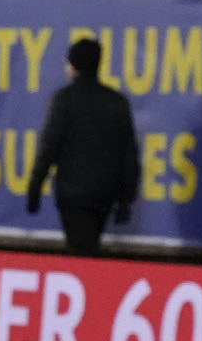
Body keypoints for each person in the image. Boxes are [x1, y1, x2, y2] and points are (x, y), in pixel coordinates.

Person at [27, 38, 141, 256]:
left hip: (72, 194)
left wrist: (34, 189)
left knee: (79, 251)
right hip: (104, 194)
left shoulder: (64, 100)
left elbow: (48, 148)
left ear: (73, 66)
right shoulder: (116, 102)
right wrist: (126, 200)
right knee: (88, 246)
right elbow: (129, 154)